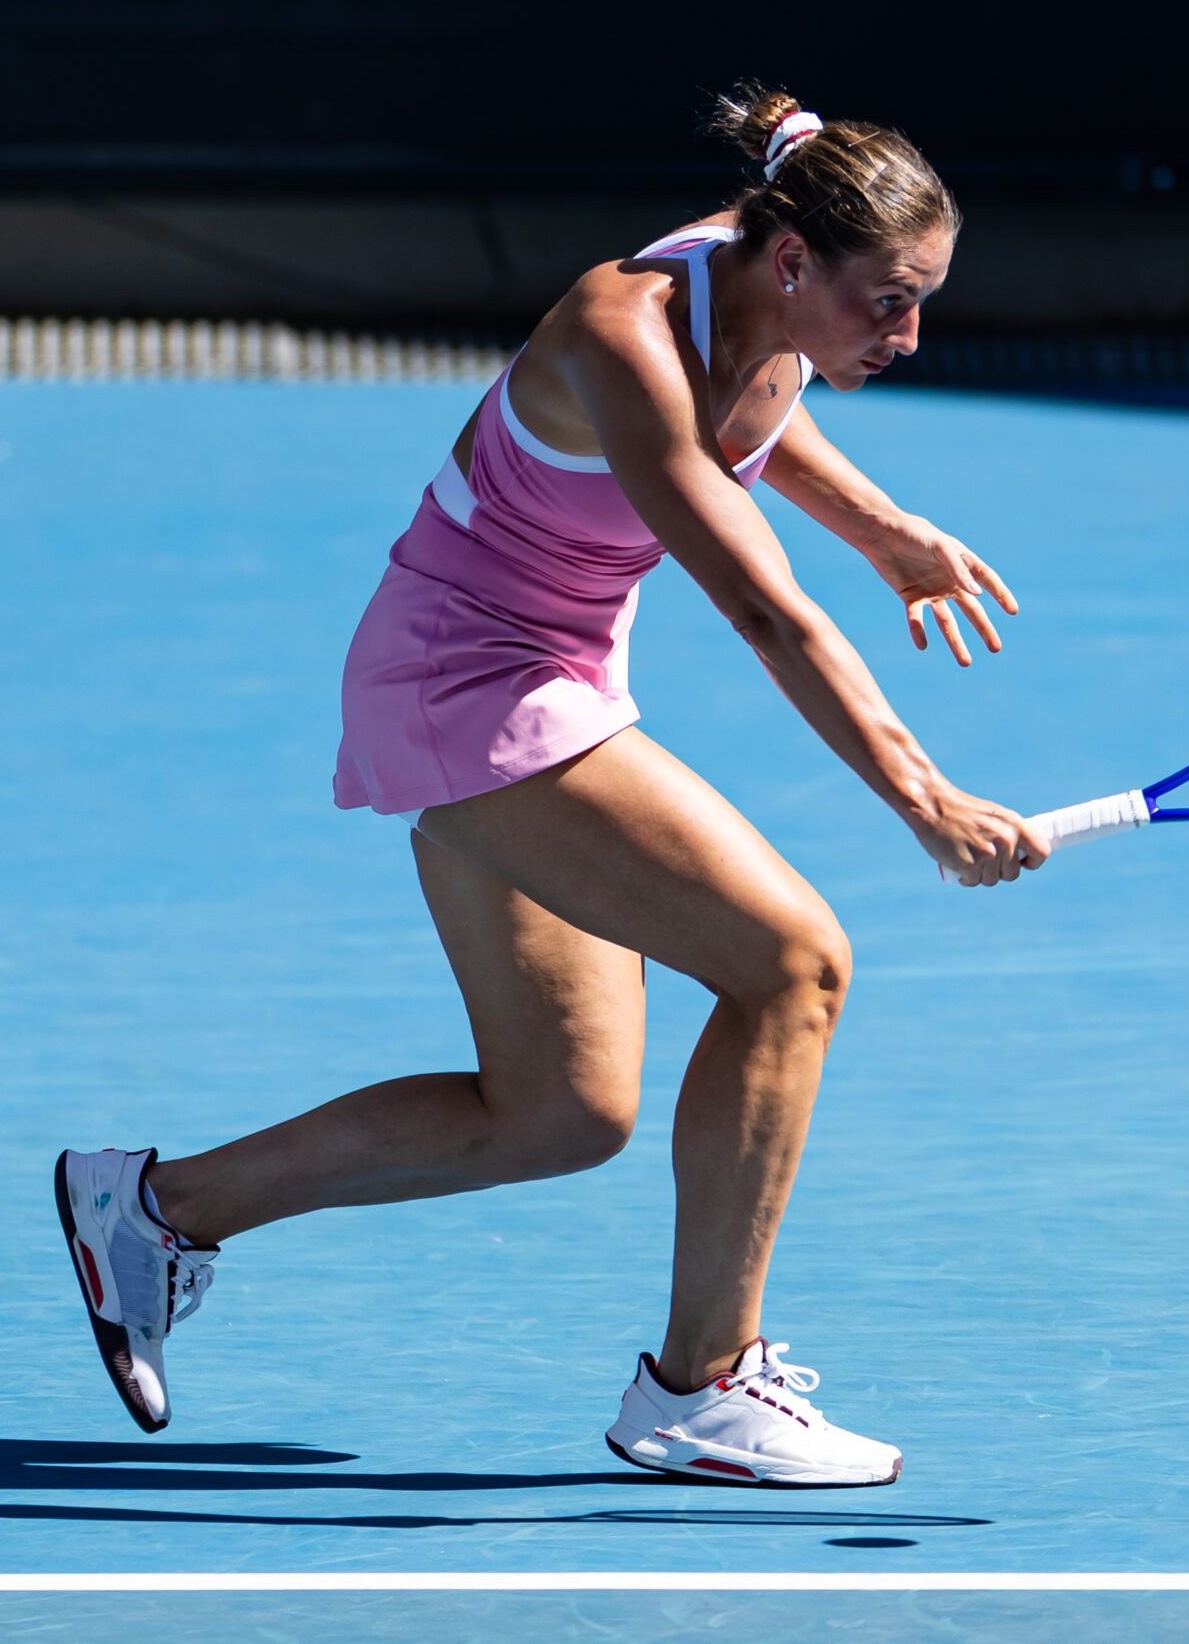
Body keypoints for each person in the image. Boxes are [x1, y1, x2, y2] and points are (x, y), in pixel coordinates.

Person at [55, 85, 1044, 1487]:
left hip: (536, 669)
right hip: (472, 684)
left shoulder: (766, 285)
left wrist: (888, 532)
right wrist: (924, 800)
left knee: (563, 1110)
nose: (909, 334)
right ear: (791, 263)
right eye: (888, 302)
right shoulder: (622, 330)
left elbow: (762, 409)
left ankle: (149, 1210)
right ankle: (701, 1385)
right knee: (794, 964)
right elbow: (767, 612)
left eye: (922, 299)